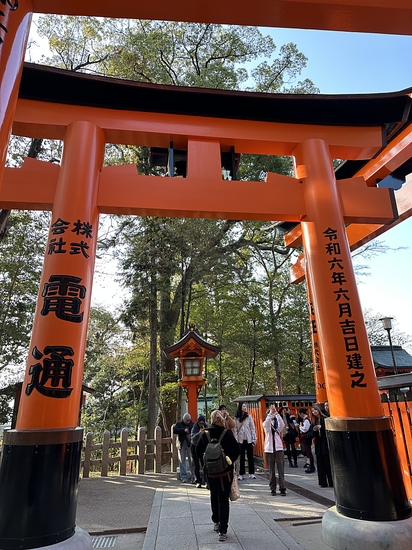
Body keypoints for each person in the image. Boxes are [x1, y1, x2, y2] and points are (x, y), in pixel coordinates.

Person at [196, 409, 240, 542]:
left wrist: (205, 463)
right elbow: (237, 450)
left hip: (211, 473)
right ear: (222, 420)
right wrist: (229, 460)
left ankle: (216, 521)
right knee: (223, 500)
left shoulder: (206, 434)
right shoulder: (227, 433)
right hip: (225, 473)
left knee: (214, 496)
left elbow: (197, 451)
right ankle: (223, 531)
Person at [263, 404, 287, 496]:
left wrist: (276, 414)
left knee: (281, 469)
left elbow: (282, 424)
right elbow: (266, 424)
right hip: (269, 449)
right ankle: (273, 488)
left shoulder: (277, 424)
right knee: (271, 470)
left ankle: (282, 487)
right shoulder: (266, 424)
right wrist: (270, 414)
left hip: (278, 447)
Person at [311, 403, 333, 488]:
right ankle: (323, 482)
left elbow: (329, 429)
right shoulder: (314, 421)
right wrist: (314, 430)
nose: (314, 412)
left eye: (315, 410)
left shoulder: (325, 419)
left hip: (325, 442)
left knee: (327, 463)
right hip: (319, 443)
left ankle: (331, 481)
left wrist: (321, 427)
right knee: (320, 463)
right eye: (313, 411)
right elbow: (311, 434)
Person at [234, 402, 257, 480]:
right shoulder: (236, 418)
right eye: (243, 406)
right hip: (240, 439)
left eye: (245, 406)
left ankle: (251, 473)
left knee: (250, 456)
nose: (245, 407)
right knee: (242, 457)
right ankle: (241, 473)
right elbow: (235, 430)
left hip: (248, 438)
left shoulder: (249, 417)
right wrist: (236, 440)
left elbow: (252, 428)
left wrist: (254, 438)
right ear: (240, 407)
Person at [173, 413, 195, 483]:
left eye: (189, 420)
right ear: (184, 419)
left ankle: (193, 476)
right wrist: (183, 430)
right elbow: (175, 430)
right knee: (182, 460)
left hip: (190, 444)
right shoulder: (179, 424)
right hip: (181, 443)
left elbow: (194, 430)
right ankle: (184, 476)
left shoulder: (192, 424)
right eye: (187, 420)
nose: (188, 421)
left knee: (191, 459)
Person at [191, 414, 208, 488]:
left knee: (204, 464)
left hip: (203, 447)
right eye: (200, 423)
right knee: (196, 464)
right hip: (195, 446)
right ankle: (197, 480)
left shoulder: (207, 426)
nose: (201, 425)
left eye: (202, 423)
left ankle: (206, 480)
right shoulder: (194, 427)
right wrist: (199, 434)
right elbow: (192, 438)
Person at [298, 408, 315, 473]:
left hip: (307, 438)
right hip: (305, 437)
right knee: (308, 452)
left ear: (302, 413)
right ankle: (310, 464)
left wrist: (300, 427)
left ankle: (311, 465)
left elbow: (305, 429)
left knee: (308, 452)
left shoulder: (306, 420)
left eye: (300, 414)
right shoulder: (304, 420)